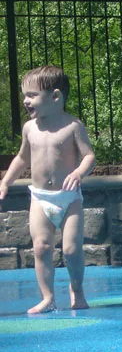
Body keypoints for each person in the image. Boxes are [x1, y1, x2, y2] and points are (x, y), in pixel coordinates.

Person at [0, 66, 95, 314]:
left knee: (71, 249)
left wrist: (78, 173)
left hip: (69, 197)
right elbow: (22, 158)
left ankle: (77, 289)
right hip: (40, 197)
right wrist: (6, 181)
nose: (25, 101)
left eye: (32, 95)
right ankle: (48, 297)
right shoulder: (30, 128)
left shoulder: (72, 126)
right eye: (24, 95)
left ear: (55, 97)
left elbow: (89, 157)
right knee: (41, 247)